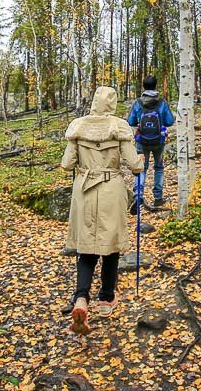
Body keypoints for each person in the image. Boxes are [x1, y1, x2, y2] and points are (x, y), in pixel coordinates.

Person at [61, 86, 143, 334]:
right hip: (111, 189)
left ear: (94, 102)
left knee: (86, 247)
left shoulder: (78, 126)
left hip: (84, 188)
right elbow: (135, 166)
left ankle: (81, 298)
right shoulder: (119, 127)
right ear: (113, 104)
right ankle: (106, 300)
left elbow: (67, 165)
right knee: (111, 243)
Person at [127, 75, 175, 208]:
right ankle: (158, 197)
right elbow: (170, 121)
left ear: (144, 86)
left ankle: (138, 195)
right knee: (158, 168)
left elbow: (130, 121)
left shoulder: (138, 103)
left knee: (141, 167)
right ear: (155, 86)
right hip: (158, 140)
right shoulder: (162, 102)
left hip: (141, 140)